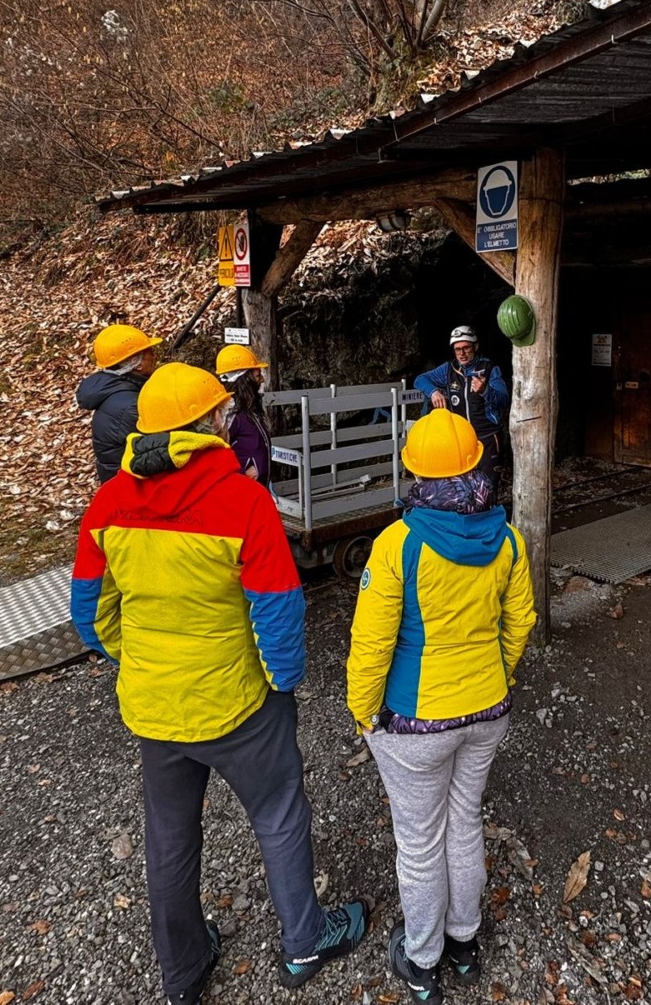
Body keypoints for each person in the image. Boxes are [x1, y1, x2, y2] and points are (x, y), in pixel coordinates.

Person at [71, 363, 370, 1004]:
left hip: (154, 708)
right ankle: (304, 940)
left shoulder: (107, 504)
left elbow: (89, 617)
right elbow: (279, 611)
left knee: (170, 839)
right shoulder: (242, 501)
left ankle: (182, 972)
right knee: (280, 815)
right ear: (209, 423)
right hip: (238, 703)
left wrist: (140, 659)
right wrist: (283, 684)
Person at [346, 409, 536, 1004]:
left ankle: (422, 958)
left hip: (413, 723)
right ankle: (464, 944)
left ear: (414, 472)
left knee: (421, 840)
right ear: (478, 464)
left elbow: (372, 643)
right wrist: (497, 679)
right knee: (464, 820)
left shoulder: (397, 544)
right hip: (487, 712)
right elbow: (520, 621)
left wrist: (362, 712)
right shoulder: (507, 537)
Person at [414, 326, 508, 479]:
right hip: (461, 439)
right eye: (457, 349)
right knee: (463, 487)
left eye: (466, 348)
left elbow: (504, 400)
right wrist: (433, 392)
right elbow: (420, 379)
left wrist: (485, 390)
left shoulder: (489, 368)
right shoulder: (449, 369)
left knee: (488, 487)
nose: (461, 354)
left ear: (475, 346)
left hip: (488, 437)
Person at [76, 323, 162, 482]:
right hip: (130, 485)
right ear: (138, 364)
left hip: (117, 478)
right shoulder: (131, 406)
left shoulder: (112, 388)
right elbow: (157, 451)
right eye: (150, 352)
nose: (155, 356)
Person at [215, 343, 273, 486]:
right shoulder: (228, 411)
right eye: (258, 376)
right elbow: (215, 457)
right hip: (242, 493)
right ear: (244, 380)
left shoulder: (248, 408)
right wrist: (242, 475)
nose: (262, 380)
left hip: (258, 490)